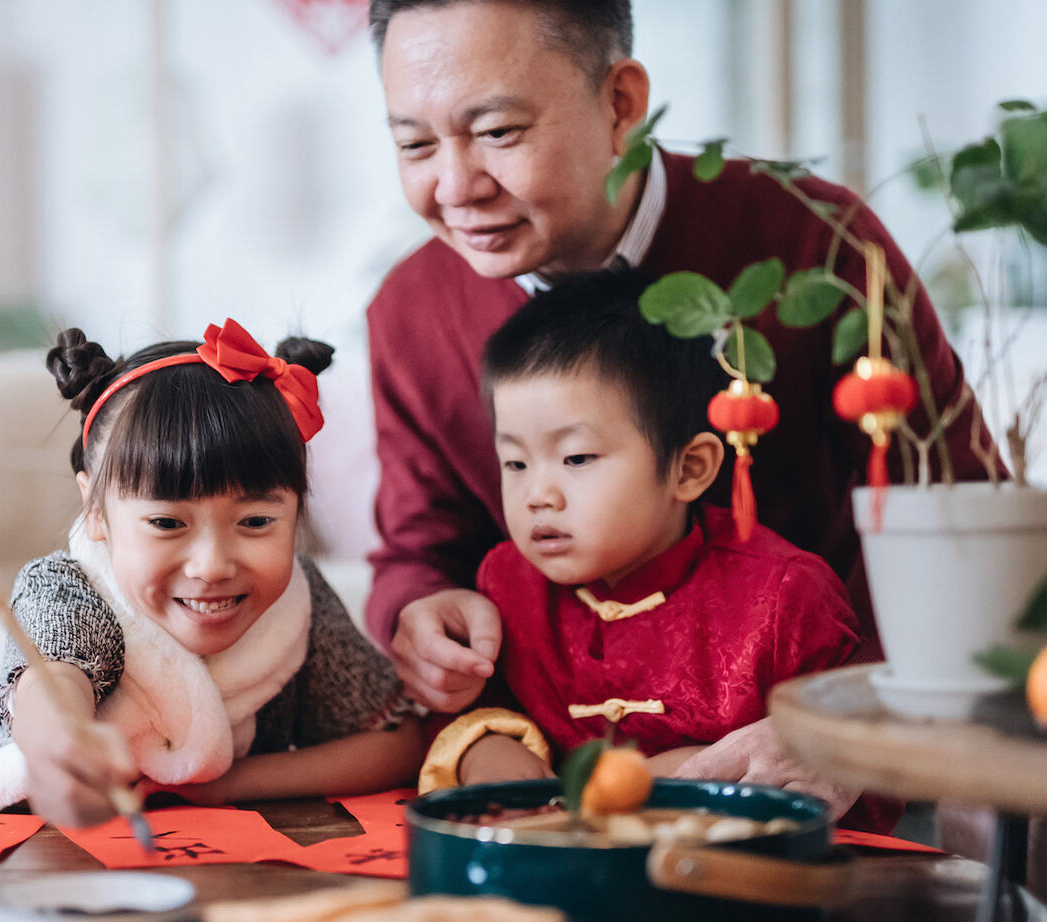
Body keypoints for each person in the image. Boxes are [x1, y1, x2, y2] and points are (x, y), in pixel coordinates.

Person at [364, 0, 995, 795]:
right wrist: (420, 619)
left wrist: (846, 725)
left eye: (498, 133)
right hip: (566, 784)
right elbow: (420, 553)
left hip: (827, 764)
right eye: (415, 144)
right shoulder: (412, 310)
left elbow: (956, 522)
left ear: (621, 102)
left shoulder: (818, 246)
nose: (454, 187)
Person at [0, 320, 425, 826]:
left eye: (257, 521)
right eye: (168, 522)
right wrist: (58, 742)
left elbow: (397, 742)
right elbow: (52, 682)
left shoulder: (299, 604)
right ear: (95, 510)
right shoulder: (69, 588)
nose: (213, 566)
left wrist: (226, 784)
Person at [415, 268, 895, 830]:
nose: (536, 496)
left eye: (576, 459)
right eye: (515, 463)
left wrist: (696, 775)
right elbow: (466, 712)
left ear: (688, 469)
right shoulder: (508, 582)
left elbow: (863, 781)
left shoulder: (786, 597)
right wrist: (491, 753)